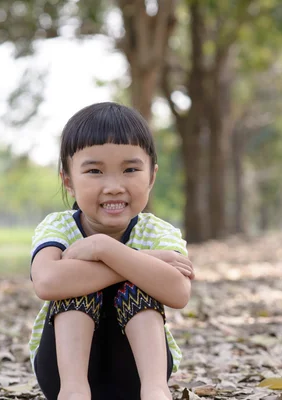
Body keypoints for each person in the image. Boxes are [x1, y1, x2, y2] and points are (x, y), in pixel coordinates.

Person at [28, 102, 195, 400]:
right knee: (73, 284)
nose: (114, 186)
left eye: (130, 169)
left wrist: (102, 249)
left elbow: (179, 293)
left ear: (151, 177)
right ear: (69, 181)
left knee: (138, 284)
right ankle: (74, 393)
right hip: (63, 374)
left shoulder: (156, 232)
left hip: (137, 376)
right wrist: (141, 259)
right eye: (94, 171)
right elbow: (47, 281)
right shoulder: (58, 227)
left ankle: (157, 393)